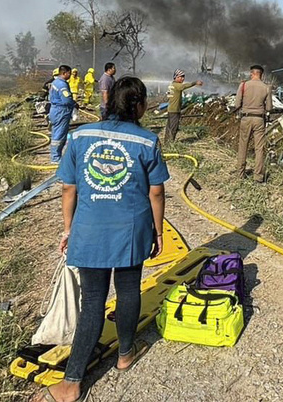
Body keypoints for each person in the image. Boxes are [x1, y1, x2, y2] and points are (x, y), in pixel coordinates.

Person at [31, 77, 168, 402]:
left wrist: (69, 229)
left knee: (93, 301)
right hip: (131, 231)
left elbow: (68, 188)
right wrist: (158, 231)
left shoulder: (80, 136)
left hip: (89, 230)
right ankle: (125, 354)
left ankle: (72, 382)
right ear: (139, 106)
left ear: (110, 102)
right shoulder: (148, 141)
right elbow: (156, 191)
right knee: (128, 290)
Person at [233, 64, 272, 183]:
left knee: (243, 146)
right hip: (259, 119)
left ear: (252, 73)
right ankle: (258, 177)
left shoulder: (243, 85)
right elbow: (269, 108)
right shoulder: (266, 87)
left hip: (246, 118)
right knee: (259, 148)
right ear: (261, 74)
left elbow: (237, 104)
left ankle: (240, 174)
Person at [164, 69, 203, 143]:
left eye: (183, 77)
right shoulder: (177, 85)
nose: (183, 78)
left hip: (170, 109)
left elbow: (168, 96)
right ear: (176, 77)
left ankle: (166, 142)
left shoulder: (171, 85)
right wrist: (195, 83)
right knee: (173, 127)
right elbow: (184, 86)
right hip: (174, 110)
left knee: (169, 127)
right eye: (181, 77)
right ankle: (170, 143)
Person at [48, 65, 78, 164]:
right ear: (64, 73)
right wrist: (74, 104)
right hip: (61, 111)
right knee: (59, 134)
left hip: (55, 110)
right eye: (69, 73)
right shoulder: (62, 85)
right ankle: (55, 158)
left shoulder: (55, 82)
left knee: (56, 133)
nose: (70, 75)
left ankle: (55, 156)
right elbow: (66, 100)